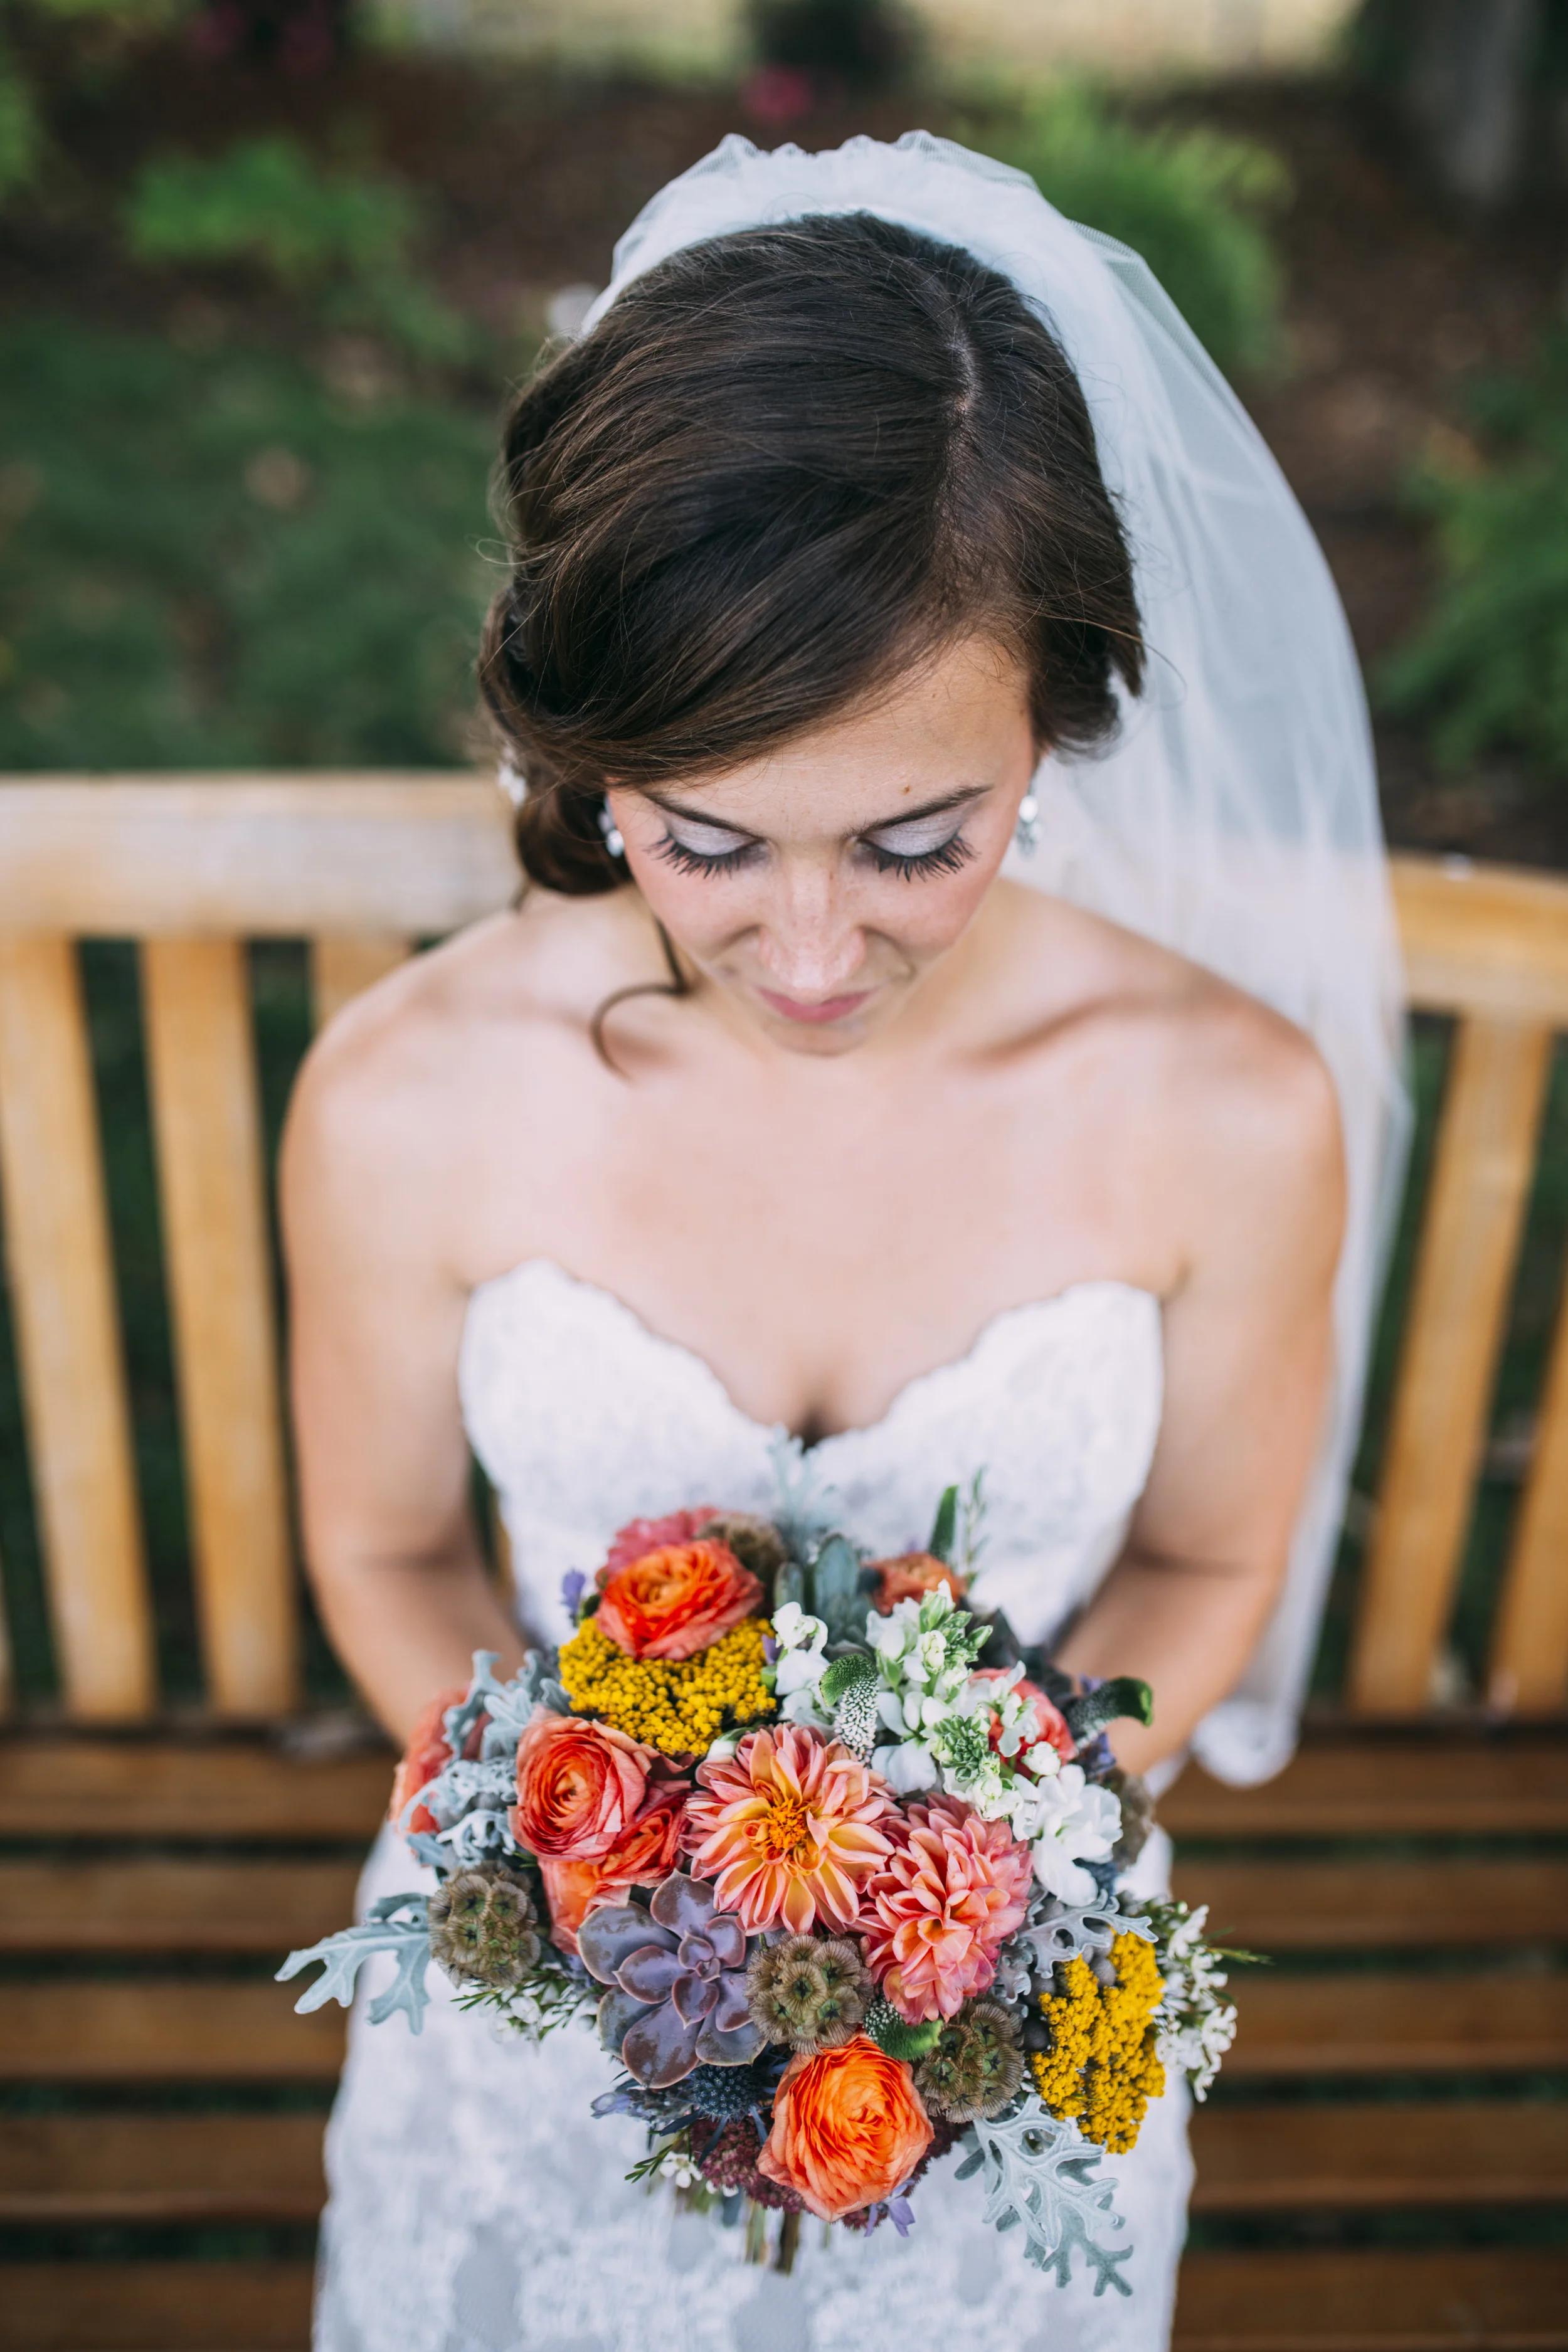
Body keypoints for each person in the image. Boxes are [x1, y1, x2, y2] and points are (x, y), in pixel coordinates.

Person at [283, 135, 1403, 2352]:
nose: (809, 950)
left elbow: (1196, 1572)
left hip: (999, 2017)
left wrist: (962, 1872)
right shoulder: (406, 1095)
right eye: (707, 838)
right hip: (538, 1988)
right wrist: (607, 1871)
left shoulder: (1231, 1111)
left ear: (1056, 726)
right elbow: (391, 1554)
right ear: (589, 758)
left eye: (917, 840)